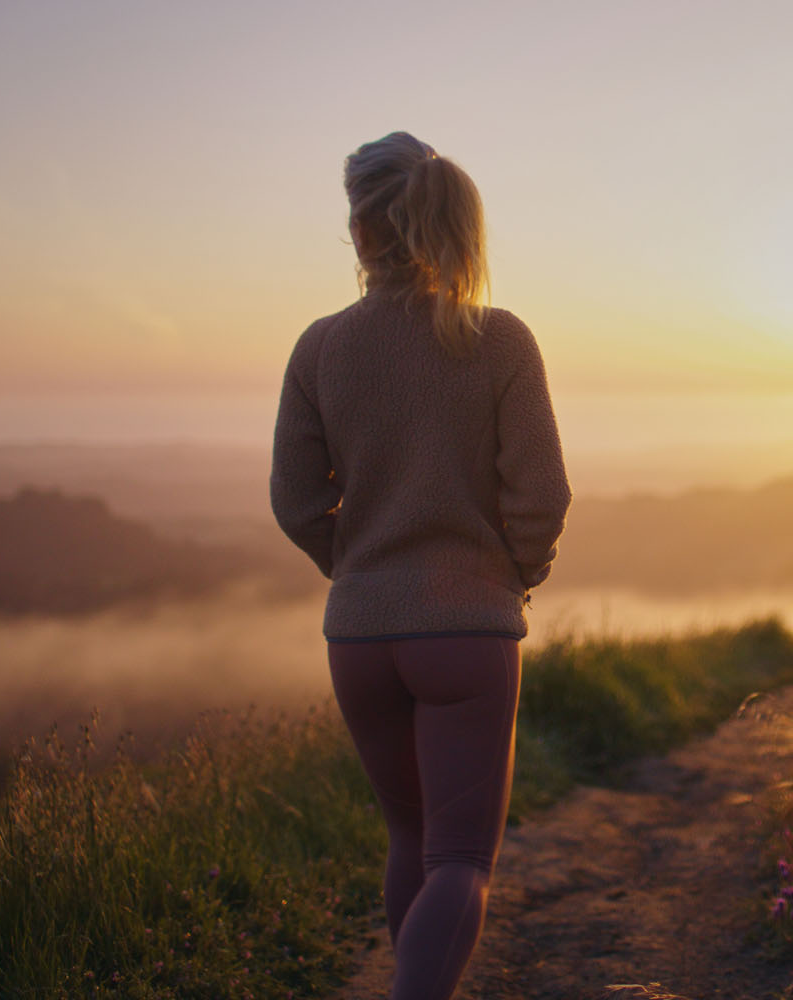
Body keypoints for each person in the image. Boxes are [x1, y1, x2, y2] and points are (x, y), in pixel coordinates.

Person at [270, 131, 571, 1000]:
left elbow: (296, 501)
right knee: (461, 862)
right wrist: (513, 573)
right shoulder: (501, 340)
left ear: (361, 233)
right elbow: (541, 495)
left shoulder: (319, 347)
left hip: (359, 633)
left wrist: (360, 570)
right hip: (468, 629)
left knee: (411, 844)